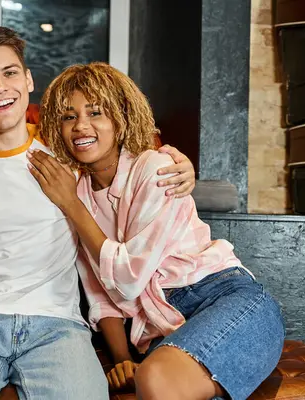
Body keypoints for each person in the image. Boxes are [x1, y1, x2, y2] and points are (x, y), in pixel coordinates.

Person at [0, 25, 196, 400]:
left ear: (27, 80)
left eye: (9, 73)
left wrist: (179, 162)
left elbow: (135, 151)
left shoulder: (68, 144)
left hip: (58, 326)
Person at [27, 62, 285, 400]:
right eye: (68, 116)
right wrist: (120, 359)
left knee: (156, 378)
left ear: (120, 119)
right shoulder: (76, 190)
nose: (81, 126)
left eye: (95, 113)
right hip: (159, 332)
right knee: (153, 378)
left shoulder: (156, 168)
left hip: (222, 298)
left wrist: (71, 207)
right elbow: (100, 293)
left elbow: (129, 277)